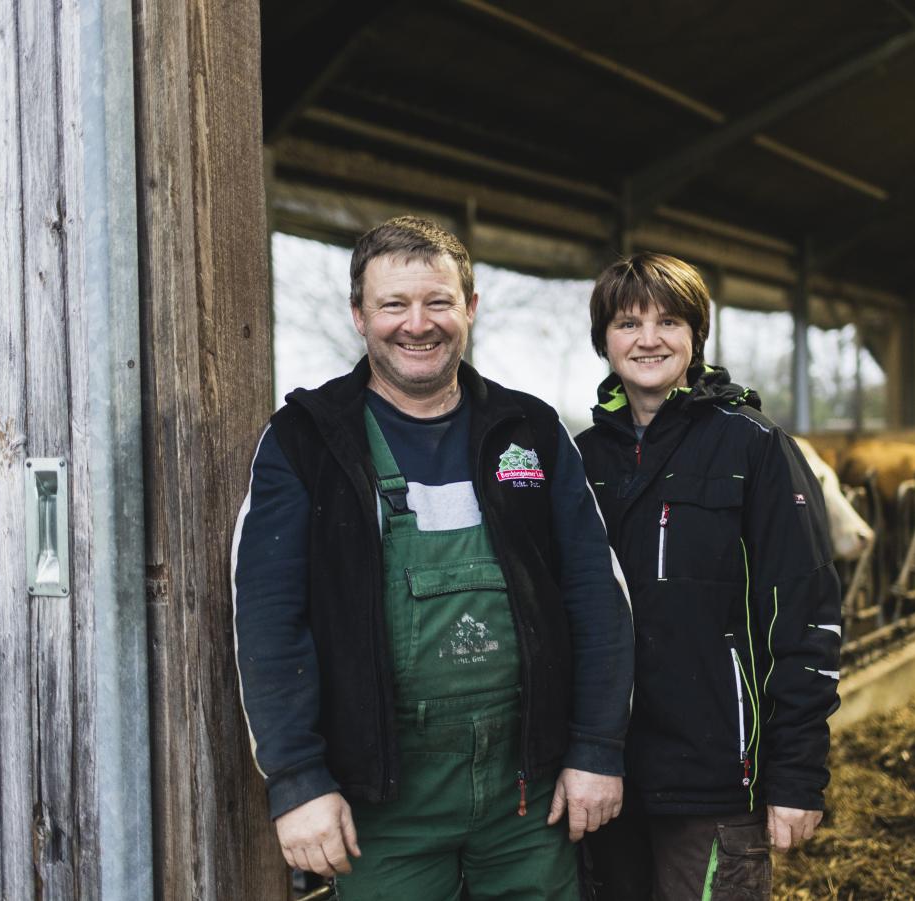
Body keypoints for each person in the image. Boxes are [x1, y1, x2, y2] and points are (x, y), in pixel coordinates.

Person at [231, 216, 633, 899]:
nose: (417, 324)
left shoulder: (531, 431)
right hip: (384, 804)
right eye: (393, 304)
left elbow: (598, 594)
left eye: (438, 302)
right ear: (359, 315)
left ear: (470, 308)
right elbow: (268, 619)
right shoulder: (307, 441)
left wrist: (597, 747)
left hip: (527, 797)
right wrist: (297, 780)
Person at [575, 253, 842, 900]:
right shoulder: (583, 458)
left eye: (669, 320)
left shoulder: (752, 446)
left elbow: (806, 616)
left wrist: (797, 778)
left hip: (718, 779)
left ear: (696, 336)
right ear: (603, 339)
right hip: (604, 777)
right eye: (627, 321)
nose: (648, 338)